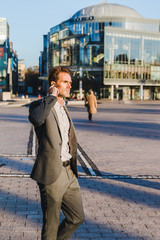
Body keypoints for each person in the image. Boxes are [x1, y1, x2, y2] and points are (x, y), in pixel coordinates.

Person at [28, 66, 85, 240]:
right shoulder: (40, 106)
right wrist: (52, 96)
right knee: (51, 225)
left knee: (77, 218)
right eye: (65, 82)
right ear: (54, 84)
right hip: (52, 173)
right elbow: (36, 118)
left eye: (70, 82)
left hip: (69, 172)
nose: (69, 85)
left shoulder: (64, 108)